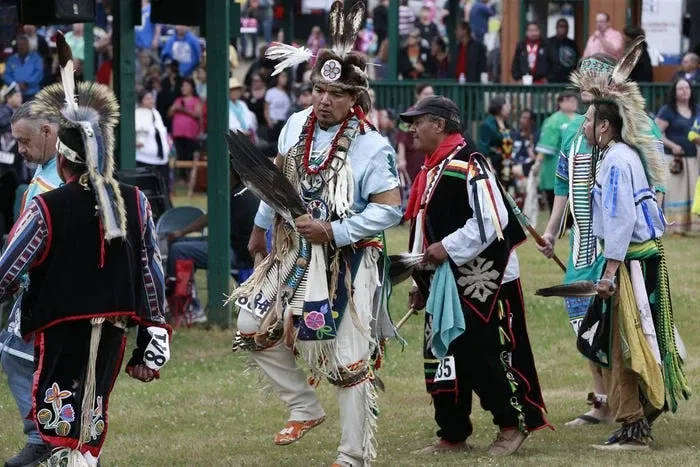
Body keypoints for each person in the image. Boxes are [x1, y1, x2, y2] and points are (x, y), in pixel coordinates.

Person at [231, 2, 402, 465]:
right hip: (292, 250)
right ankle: (304, 407)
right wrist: (260, 227)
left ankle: (353, 457)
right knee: (250, 324)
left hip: (349, 260)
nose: (324, 100)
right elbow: (278, 184)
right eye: (318, 90)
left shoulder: (372, 146)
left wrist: (335, 229)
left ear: (355, 99)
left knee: (347, 358)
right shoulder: (294, 126)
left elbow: (391, 210)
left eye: (336, 92)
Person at [0, 36, 170, 465]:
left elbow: (7, 270)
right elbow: (150, 272)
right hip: (112, 333)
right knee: (88, 421)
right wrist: (153, 338)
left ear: (61, 160)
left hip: (60, 333)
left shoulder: (47, 206)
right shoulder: (137, 201)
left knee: (60, 428)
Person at [401, 96, 551, 457]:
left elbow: (492, 220)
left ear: (439, 124)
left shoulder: (471, 163)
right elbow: (424, 227)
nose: (411, 129)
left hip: (486, 279)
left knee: (483, 353)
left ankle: (511, 425)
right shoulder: (432, 168)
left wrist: (447, 247)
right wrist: (420, 279)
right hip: (445, 278)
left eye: (417, 121)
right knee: (444, 354)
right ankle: (452, 433)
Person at [536, 48, 667, 427]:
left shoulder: (636, 127)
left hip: (623, 247)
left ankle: (636, 400)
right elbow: (564, 183)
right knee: (585, 322)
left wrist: (651, 231)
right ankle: (604, 401)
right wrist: (550, 231)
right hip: (585, 243)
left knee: (627, 325)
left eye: (598, 78)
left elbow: (653, 182)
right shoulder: (576, 132)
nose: (589, 89)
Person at [579, 67, 689, 450]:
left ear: (606, 126)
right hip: (642, 260)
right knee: (638, 340)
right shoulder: (621, 155)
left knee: (622, 345)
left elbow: (620, 218)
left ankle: (633, 425)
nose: (583, 129)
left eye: (589, 121)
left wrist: (609, 272)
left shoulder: (616, 161)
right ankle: (641, 410)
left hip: (631, 264)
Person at [0, 101, 62, 467]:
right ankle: (57, 438)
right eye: (16, 142)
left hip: (44, 287)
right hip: (42, 286)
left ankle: (45, 438)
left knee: (20, 357)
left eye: (24, 141)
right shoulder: (47, 173)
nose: (20, 150)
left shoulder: (51, 182)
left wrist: (10, 276)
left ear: (47, 131)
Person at [167, 170, 259, 323]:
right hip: (230, 244)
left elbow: (222, 234)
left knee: (179, 250)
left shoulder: (240, 197)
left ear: (234, 174)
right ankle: (183, 303)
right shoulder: (236, 191)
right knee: (178, 244)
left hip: (239, 254)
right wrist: (182, 232)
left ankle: (191, 310)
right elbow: (213, 216)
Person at [655, 77, 700, 235]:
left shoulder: (696, 109)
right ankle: (675, 228)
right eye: (680, 88)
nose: (684, 91)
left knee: (692, 191)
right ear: (674, 92)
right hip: (674, 160)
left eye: (687, 88)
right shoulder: (668, 110)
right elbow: (657, 133)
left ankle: (692, 227)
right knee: (676, 192)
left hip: (693, 159)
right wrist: (673, 146)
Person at [535, 91, 579, 210]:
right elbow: (545, 147)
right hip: (556, 165)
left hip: (578, 166)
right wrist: (537, 164)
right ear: (560, 102)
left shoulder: (581, 119)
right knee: (557, 204)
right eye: (569, 100)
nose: (573, 103)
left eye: (574, 100)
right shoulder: (553, 121)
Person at [477, 96, 517, 198]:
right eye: (507, 105)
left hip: (506, 164)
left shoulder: (506, 124)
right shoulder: (487, 124)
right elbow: (483, 148)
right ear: (499, 107)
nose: (509, 108)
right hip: (494, 164)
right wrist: (489, 167)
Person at [396, 83, 435, 183]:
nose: (429, 97)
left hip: (428, 155)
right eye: (426, 94)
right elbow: (401, 139)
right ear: (418, 95)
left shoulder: (434, 113)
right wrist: (401, 159)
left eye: (431, 94)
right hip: (413, 156)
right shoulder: (410, 113)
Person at [135, 89, 170, 195]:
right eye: (147, 99)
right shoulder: (138, 113)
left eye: (151, 98)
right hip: (145, 160)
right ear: (141, 101)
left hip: (161, 160)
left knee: (163, 192)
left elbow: (161, 132)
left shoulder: (155, 112)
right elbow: (140, 135)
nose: (151, 101)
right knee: (147, 193)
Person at [168, 78, 203, 182]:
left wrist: (183, 110)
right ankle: (182, 178)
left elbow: (198, 115)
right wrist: (174, 108)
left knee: (189, 155)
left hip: (190, 134)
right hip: (178, 133)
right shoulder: (178, 100)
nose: (184, 88)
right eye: (182, 86)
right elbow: (169, 114)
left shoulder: (196, 100)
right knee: (180, 154)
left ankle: (189, 178)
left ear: (192, 88)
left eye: (186, 86)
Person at [3, 35, 44, 101]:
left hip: (33, 93)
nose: (22, 47)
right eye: (20, 45)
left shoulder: (36, 58)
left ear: (28, 45)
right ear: (17, 46)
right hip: (15, 93)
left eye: (24, 44)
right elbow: (6, 75)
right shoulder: (11, 59)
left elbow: (39, 74)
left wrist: (27, 84)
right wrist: (16, 85)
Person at [547, 18, 580, 83]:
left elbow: (576, 61)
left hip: (568, 79)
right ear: (556, 28)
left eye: (565, 26)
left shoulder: (572, 43)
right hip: (552, 79)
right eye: (561, 26)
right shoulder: (549, 43)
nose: (563, 29)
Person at [264, 72, 292, 142]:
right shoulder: (271, 92)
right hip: (274, 122)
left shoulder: (288, 93)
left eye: (286, 77)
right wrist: (269, 122)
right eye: (283, 77)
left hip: (285, 122)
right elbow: (266, 109)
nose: (285, 79)